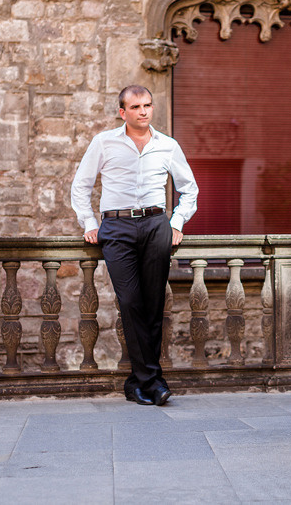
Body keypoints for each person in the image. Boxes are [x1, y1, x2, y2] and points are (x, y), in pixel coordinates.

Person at [71, 85, 198, 406]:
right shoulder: (104, 143)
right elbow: (81, 186)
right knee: (130, 302)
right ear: (122, 111)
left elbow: (189, 189)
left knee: (154, 305)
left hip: (156, 225)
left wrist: (177, 222)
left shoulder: (167, 146)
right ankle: (151, 381)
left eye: (148, 105)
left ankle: (142, 383)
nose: (143, 111)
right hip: (117, 227)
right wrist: (89, 224)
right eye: (136, 106)